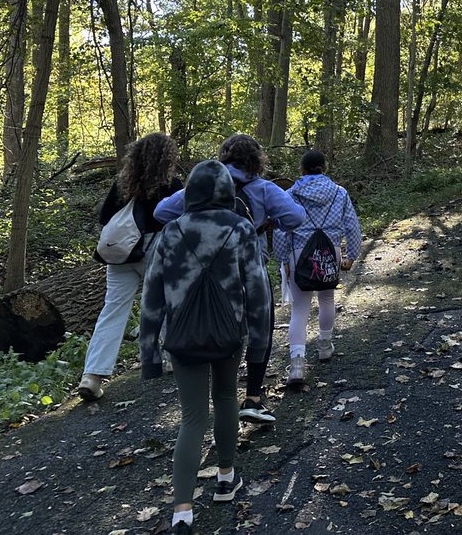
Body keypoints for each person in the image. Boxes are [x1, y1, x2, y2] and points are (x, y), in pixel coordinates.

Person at [140, 159, 271, 535]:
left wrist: (149, 355)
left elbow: (151, 296)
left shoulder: (171, 231)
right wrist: (260, 344)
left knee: (192, 417)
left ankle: (182, 510)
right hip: (229, 334)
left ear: (190, 193)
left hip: (181, 338)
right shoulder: (241, 229)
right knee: (227, 397)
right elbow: (259, 291)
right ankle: (226, 479)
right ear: (228, 193)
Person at [156, 134, 304, 424]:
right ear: (257, 160)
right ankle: (253, 397)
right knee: (261, 325)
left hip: (205, 273)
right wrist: (270, 221)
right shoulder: (264, 189)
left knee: (215, 322)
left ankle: (215, 392)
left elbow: (161, 212)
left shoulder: (201, 188)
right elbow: (295, 218)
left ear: (222, 157)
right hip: (251, 269)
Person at [78, 134, 183, 402]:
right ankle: (170, 358)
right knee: (165, 301)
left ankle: (92, 375)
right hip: (156, 249)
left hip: (121, 254)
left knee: (112, 310)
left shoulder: (123, 183)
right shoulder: (172, 185)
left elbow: (104, 218)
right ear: (166, 157)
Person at [275, 150, 362, 386]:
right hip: (329, 251)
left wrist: (283, 259)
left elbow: (281, 229)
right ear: (324, 168)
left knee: (300, 309)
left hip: (298, 253)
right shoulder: (339, 193)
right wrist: (351, 255)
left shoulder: (290, 194)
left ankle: (297, 365)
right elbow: (352, 225)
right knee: (326, 299)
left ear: (301, 170)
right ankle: (324, 345)